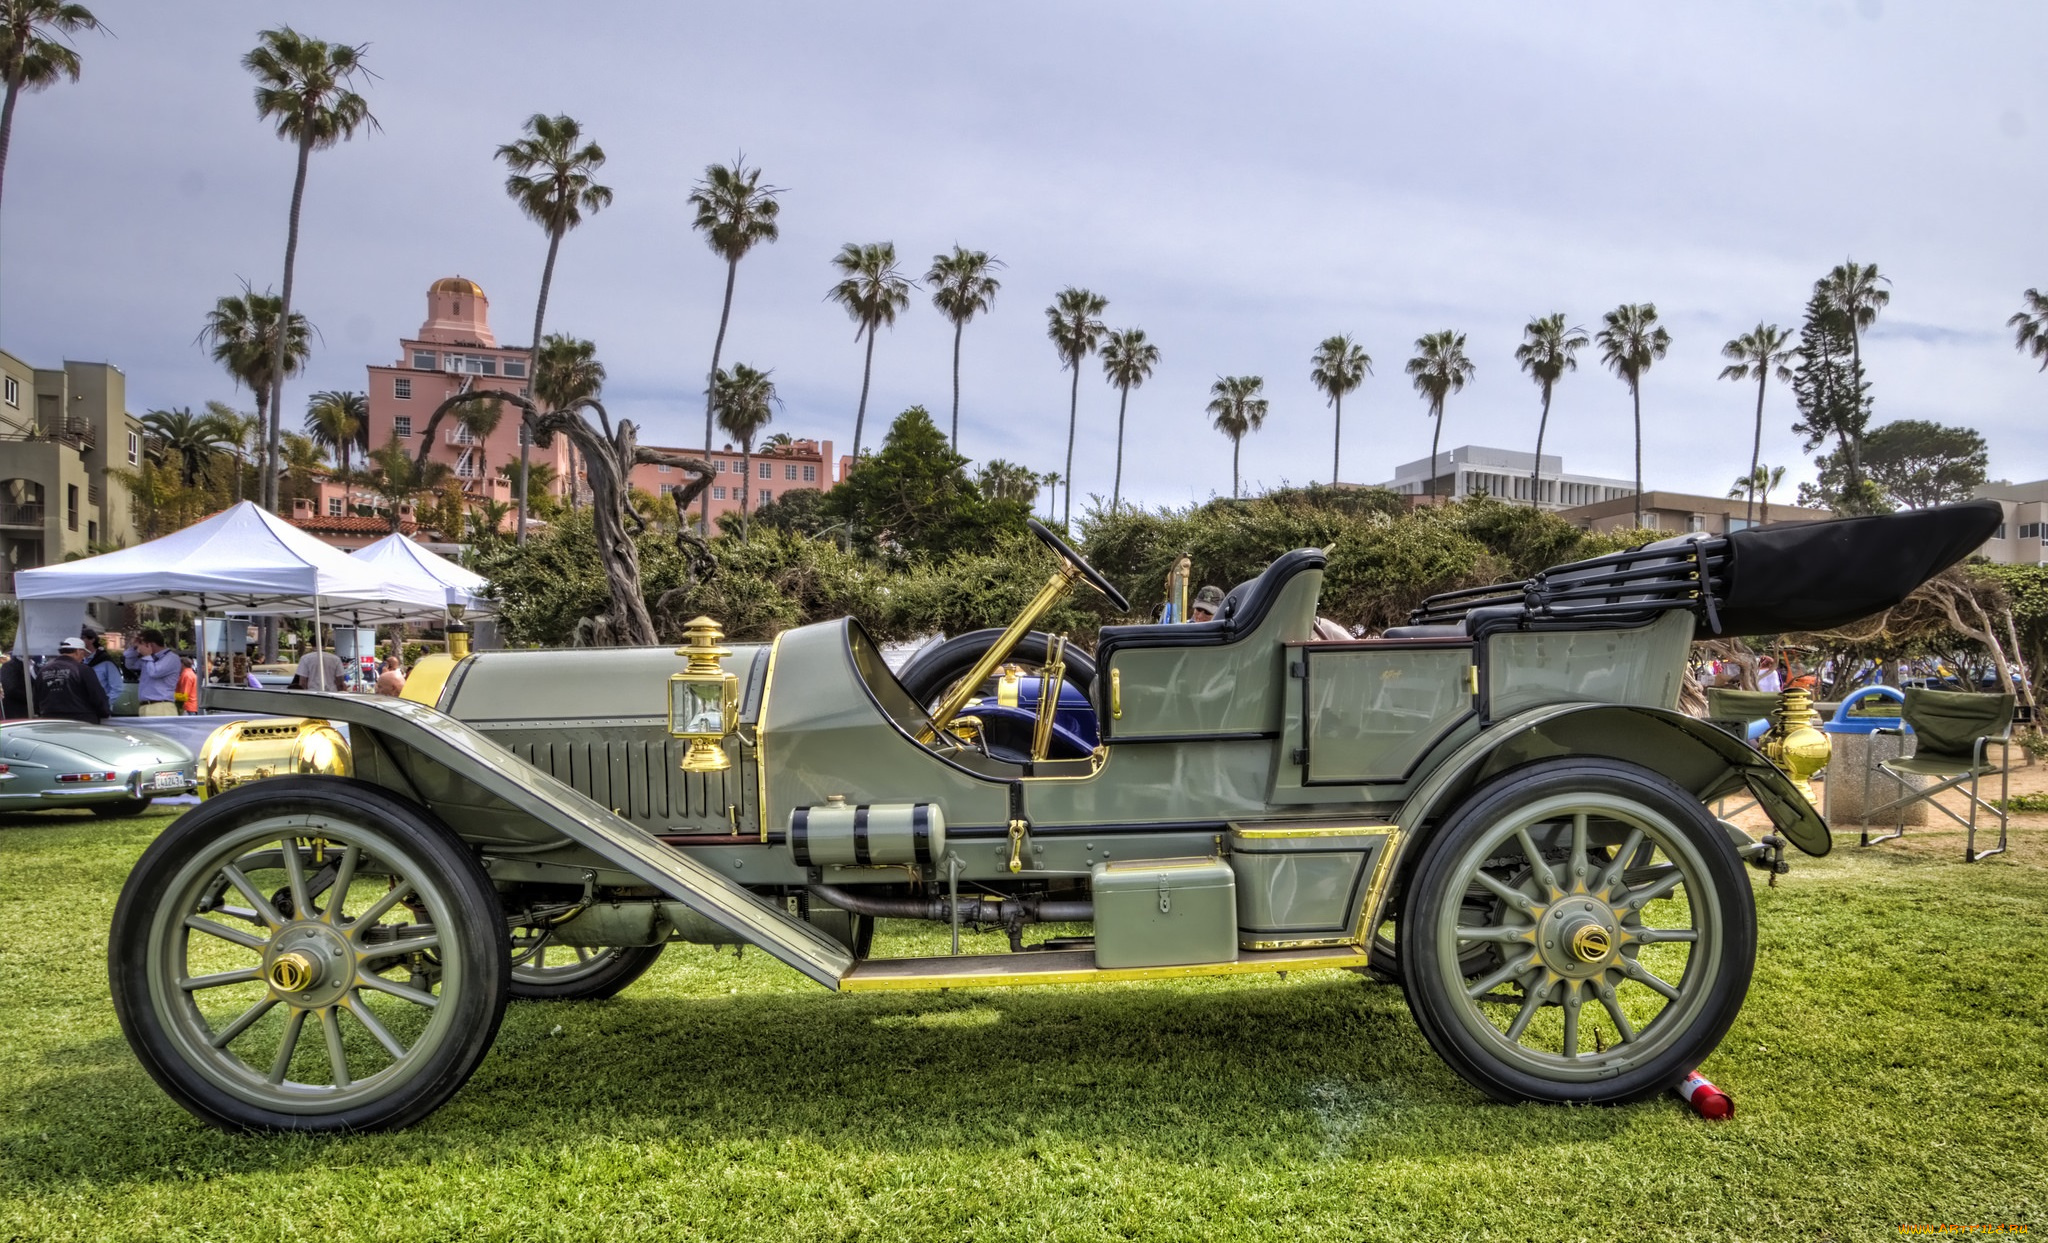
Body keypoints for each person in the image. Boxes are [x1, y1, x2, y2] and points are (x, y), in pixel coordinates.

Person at [33, 637, 110, 723]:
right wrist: (105, 712)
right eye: (83, 653)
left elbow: (36, 698)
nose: (83, 657)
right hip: (80, 721)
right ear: (78, 651)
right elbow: (96, 695)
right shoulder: (82, 669)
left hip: (50, 720)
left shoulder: (43, 670)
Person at [125, 627, 181, 716]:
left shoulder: (171, 658)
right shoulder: (149, 659)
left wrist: (147, 655)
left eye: (141, 645)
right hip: (145, 706)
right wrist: (133, 647)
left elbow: (154, 673)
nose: (139, 649)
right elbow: (130, 665)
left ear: (150, 645)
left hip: (161, 706)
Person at [86, 631, 125, 705]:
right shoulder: (79, 661)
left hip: (99, 707)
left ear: (92, 640)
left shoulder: (105, 662)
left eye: (82, 637)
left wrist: (104, 703)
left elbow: (117, 687)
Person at [1, 654, 27, 720]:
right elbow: (10, 689)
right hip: (16, 711)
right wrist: (30, 697)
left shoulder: (33, 665)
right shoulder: (9, 666)